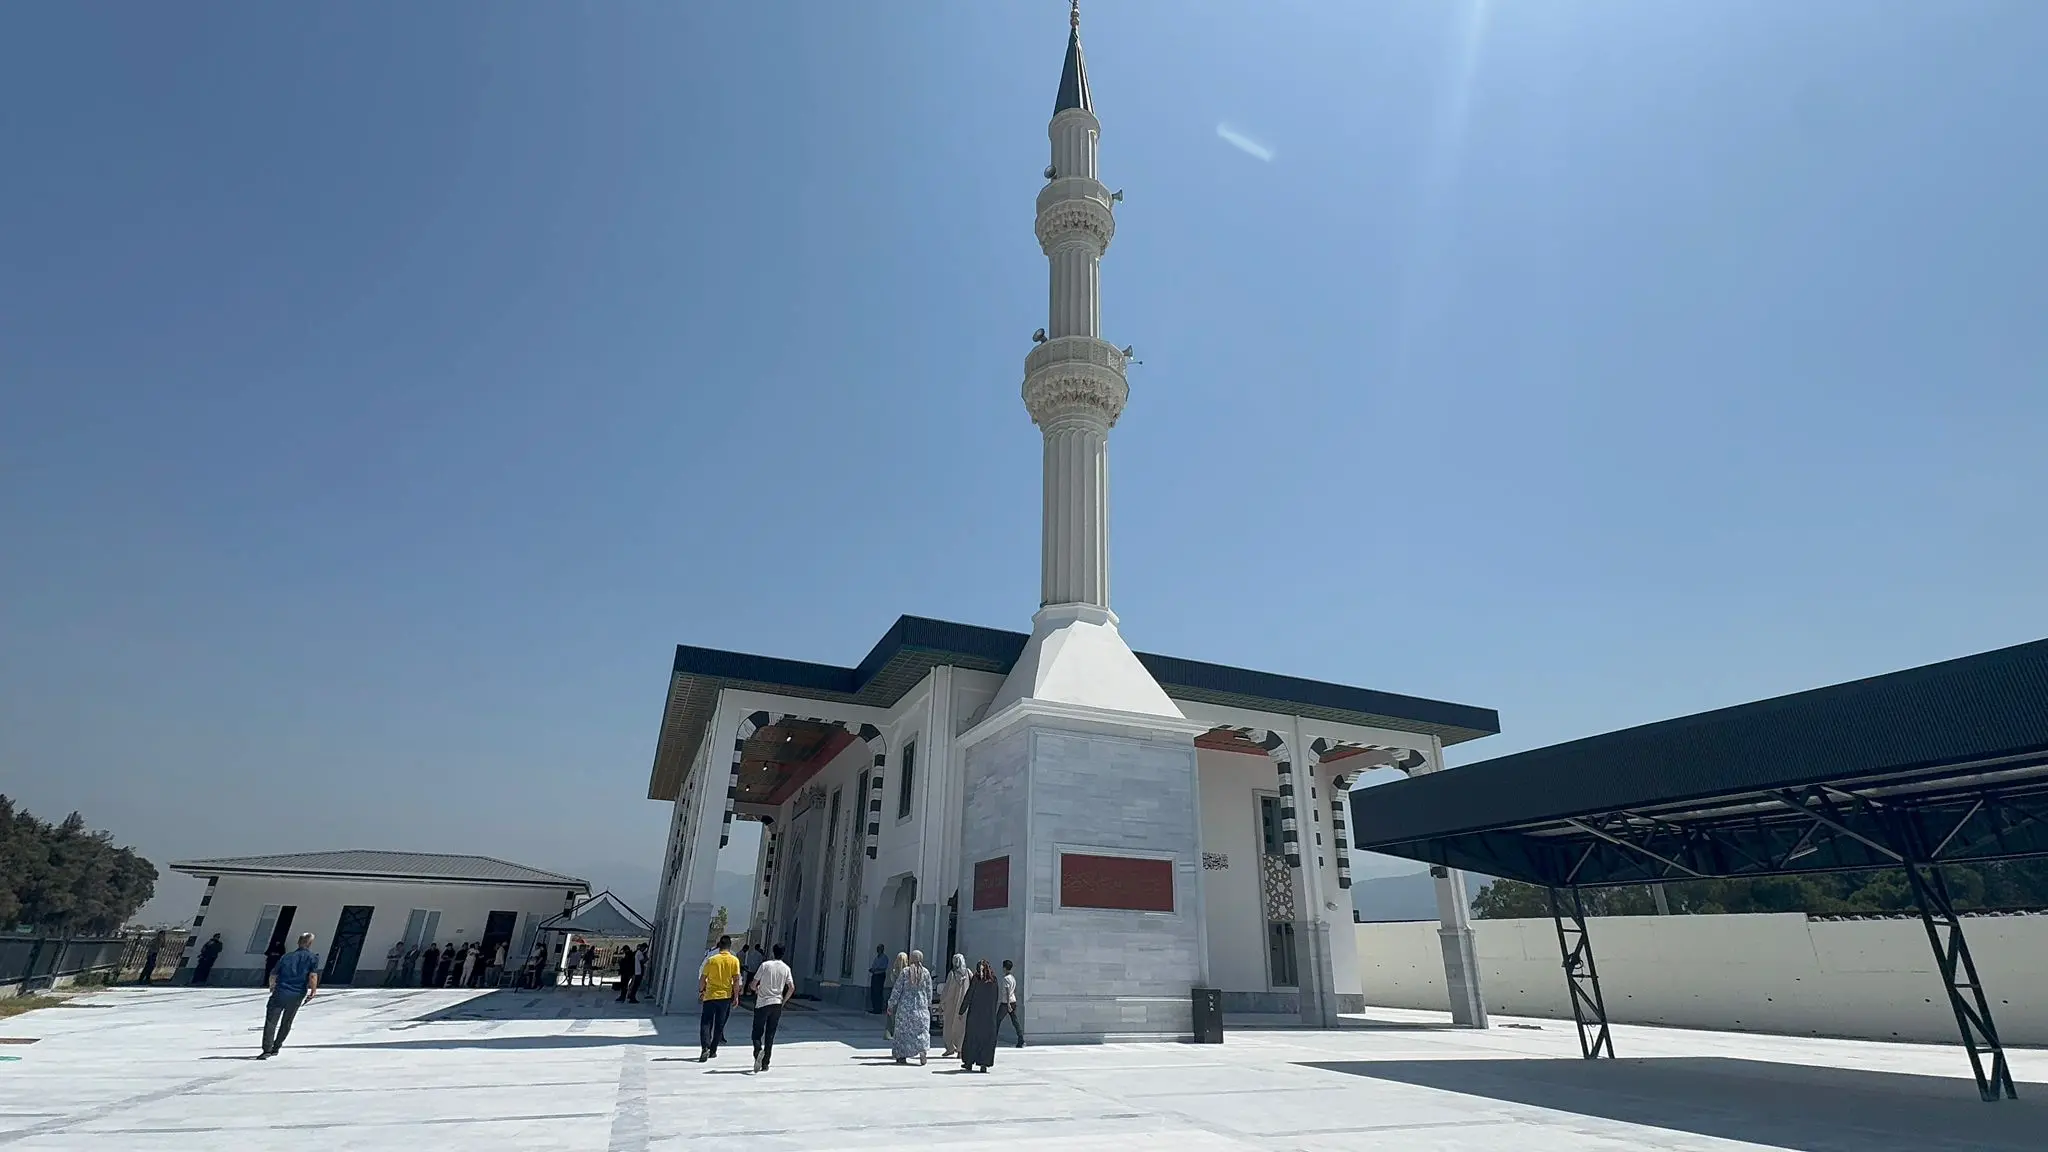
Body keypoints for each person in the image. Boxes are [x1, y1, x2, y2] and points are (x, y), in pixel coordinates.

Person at [260, 932, 321, 1058]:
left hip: (280, 991)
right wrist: (313, 991)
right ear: (310, 944)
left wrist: (272, 987)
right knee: (287, 1021)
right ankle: (276, 1047)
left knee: (271, 1022)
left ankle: (267, 1049)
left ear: (298, 942)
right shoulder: (312, 958)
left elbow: (273, 974)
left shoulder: (286, 957)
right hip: (297, 993)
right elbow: (313, 976)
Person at [748, 942, 793, 1073]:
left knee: (757, 1033)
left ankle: (758, 1051)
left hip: (763, 1003)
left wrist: (756, 990)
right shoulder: (786, 968)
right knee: (770, 1034)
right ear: (783, 953)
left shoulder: (765, 965)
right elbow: (791, 987)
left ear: (773, 952)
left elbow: (753, 984)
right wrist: (783, 1001)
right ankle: (766, 1063)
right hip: (777, 1003)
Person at [697, 935, 741, 1062]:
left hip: (710, 995)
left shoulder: (711, 960)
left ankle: (705, 1047)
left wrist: (701, 991)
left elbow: (702, 978)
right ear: (729, 946)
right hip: (725, 997)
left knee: (706, 1022)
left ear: (719, 946)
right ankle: (713, 1050)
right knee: (719, 1025)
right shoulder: (734, 961)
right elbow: (736, 980)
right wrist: (736, 996)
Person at [887, 949, 933, 1066]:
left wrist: (891, 1004)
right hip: (921, 1009)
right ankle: (922, 1051)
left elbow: (897, 990)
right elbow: (929, 992)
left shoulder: (905, 972)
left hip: (905, 1010)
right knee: (921, 1032)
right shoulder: (926, 973)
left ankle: (902, 1055)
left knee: (903, 1032)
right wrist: (928, 1004)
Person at [958, 959, 999, 1073]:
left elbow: (969, 995)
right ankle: (984, 1064)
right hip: (988, 1017)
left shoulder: (976, 979)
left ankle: (969, 1062)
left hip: (975, 1016)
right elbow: (996, 998)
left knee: (972, 1039)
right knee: (986, 1040)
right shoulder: (993, 980)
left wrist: (961, 1011)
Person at [939, 954, 970, 1058]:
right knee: (959, 1027)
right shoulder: (967, 973)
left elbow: (947, 991)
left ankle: (953, 1048)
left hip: (955, 1005)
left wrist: (942, 1002)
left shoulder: (953, 974)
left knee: (951, 1026)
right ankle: (956, 1049)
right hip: (960, 1006)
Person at [999, 958, 1024, 1048]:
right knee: (1015, 1021)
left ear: (1005, 968)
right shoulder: (1013, 978)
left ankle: (991, 1039)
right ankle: (1021, 1038)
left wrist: (1008, 1004)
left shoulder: (1005, 979)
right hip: (1013, 1001)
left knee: (997, 1020)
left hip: (1006, 1003)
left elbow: (1007, 991)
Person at [867, 944, 890, 1014]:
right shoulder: (876, 957)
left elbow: (884, 967)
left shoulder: (885, 958)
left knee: (878, 992)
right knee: (873, 992)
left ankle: (878, 1009)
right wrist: (872, 969)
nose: (878, 950)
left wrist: (876, 969)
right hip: (875, 975)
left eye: (879, 948)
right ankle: (874, 1008)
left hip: (880, 975)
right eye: (877, 948)